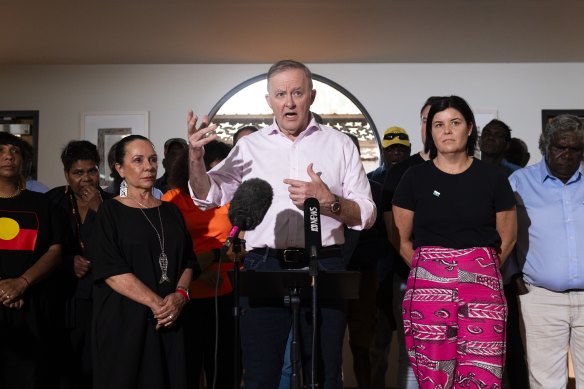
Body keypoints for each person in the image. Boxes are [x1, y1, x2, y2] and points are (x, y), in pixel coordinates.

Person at [186, 59, 376, 389]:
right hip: (264, 264)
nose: (289, 102)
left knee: (322, 373)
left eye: (297, 93)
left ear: (312, 96)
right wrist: (195, 159)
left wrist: (327, 200)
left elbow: (366, 214)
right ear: (269, 100)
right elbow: (208, 195)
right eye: (280, 94)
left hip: (324, 264)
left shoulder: (340, 144)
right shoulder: (249, 146)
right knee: (260, 373)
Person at [392, 95, 517, 389]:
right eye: (438, 124)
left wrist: (476, 270)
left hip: (483, 290)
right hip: (427, 291)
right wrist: (436, 272)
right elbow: (401, 238)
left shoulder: (493, 177)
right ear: (430, 132)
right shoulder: (414, 178)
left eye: (455, 122)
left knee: (482, 374)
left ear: (470, 127)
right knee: (434, 377)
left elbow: (509, 237)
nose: (447, 130)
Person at [87, 134, 198, 389]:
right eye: (138, 160)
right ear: (119, 168)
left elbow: (188, 261)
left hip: (171, 319)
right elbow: (111, 270)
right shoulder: (109, 211)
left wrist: (180, 296)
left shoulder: (171, 210)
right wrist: (159, 305)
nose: (148, 166)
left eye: (152, 159)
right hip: (126, 321)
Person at [509, 114, 584, 388]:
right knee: (545, 382)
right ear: (545, 147)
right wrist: (514, 276)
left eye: (575, 148)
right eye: (559, 147)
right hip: (541, 298)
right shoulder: (519, 182)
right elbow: (503, 234)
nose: (566, 154)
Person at [162, 139, 239, 389]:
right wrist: (207, 261)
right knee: (187, 367)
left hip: (225, 291)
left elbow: (241, 246)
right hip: (187, 291)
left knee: (224, 367)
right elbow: (169, 249)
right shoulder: (173, 199)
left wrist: (223, 255)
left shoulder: (230, 199)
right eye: (210, 171)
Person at [381, 96, 443, 389]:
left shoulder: (472, 170)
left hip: (460, 281)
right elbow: (394, 231)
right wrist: (424, 269)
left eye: (441, 121)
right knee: (414, 353)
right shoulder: (400, 171)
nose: (432, 127)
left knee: (456, 352)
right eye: (426, 120)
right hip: (410, 276)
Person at [47, 140, 114, 388]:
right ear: (67, 174)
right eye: (78, 172)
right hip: (63, 296)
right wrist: (66, 262)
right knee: (65, 367)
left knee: (99, 365)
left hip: (101, 295)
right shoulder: (51, 201)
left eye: (92, 171)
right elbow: (40, 248)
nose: (86, 178)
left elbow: (122, 249)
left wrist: (100, 209)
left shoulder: (113, 203)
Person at [0, 132, 64, 389]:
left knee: (31, 378)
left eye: (15, 151)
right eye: (1, 150)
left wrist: (22, 283)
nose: (7, 156)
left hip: (33, 309)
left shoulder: (42, 204)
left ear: (24, 161)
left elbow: (55, 251)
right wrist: (4, 289)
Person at [479, 119, 529, 388]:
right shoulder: (467, 171)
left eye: (498, 136)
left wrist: (514, 270)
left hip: (506, 270)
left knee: (512, 343)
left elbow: (518, 232)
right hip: (473, 268)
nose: (491, 139)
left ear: (506, 144)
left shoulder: (517, 176)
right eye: (487, 134)